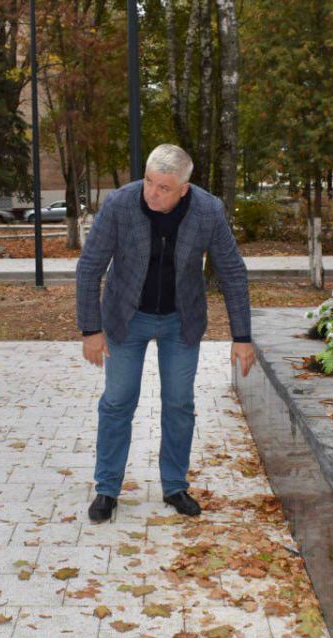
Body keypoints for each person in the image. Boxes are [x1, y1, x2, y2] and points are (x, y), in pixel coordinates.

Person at [76, 144, 256, 523]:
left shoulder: (208, 210)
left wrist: (242, 336)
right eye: (150, 183)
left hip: (181, 319)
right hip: (127, 317)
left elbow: (232, 272)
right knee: (118, 401)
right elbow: (90, 267)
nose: (153, 193)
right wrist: (91, 330)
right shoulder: (120, 204)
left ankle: (174, 485)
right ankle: (107, 489)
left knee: (179, 404)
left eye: (164, 188)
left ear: (184, 189)